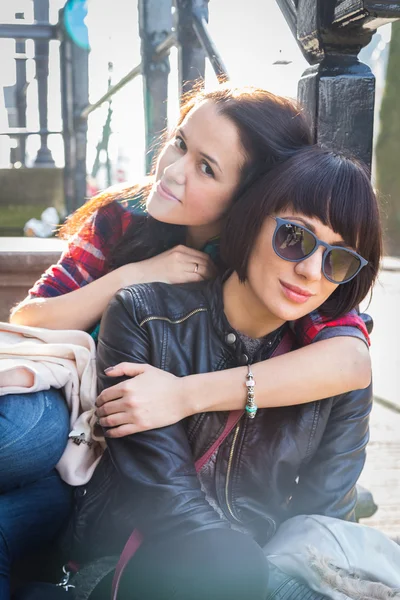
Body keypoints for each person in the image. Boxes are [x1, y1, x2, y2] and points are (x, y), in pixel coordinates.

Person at [5, 87, 370, 596]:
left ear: (251, 197)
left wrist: (185, 394)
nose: (173, 170)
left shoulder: (272, 262)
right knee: (24, 442)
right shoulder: (126, 214)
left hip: (131, 446)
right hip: (74, 403)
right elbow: (29, 317)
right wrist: (134, 274)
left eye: (207, 168)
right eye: (179, 143)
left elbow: (350, 361)